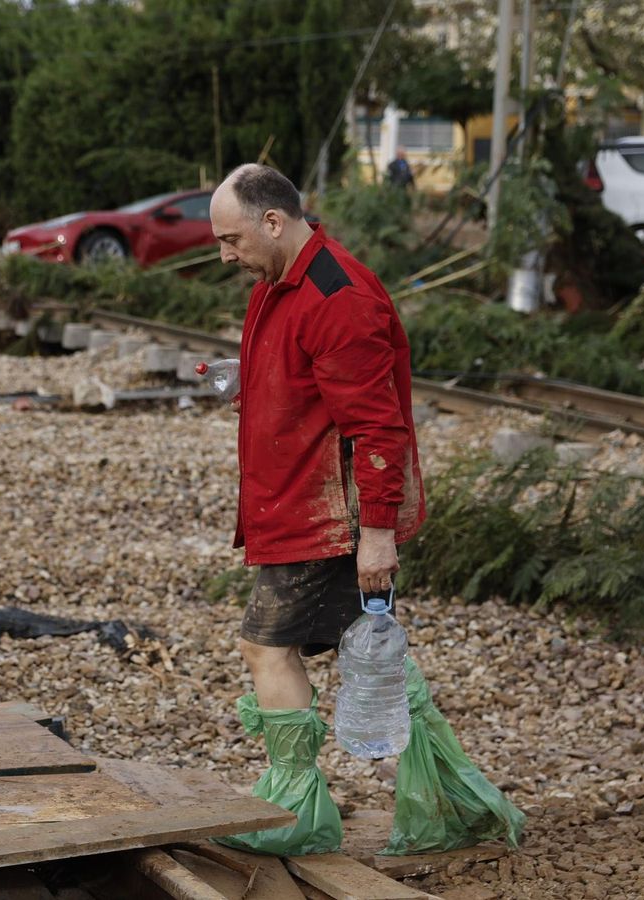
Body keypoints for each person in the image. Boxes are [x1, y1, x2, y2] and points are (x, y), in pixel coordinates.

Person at [206, 164, 520, 856]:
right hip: (304, 503)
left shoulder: (336, 297)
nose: (226, 255)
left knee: (266, 645)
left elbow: (379, 430)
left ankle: (292, 815)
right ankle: (454, 800)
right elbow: (313, 389)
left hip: (326, 517)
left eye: (231, 240)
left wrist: (376, 536)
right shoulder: (279, 283)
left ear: (272, 221)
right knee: (375, 654)